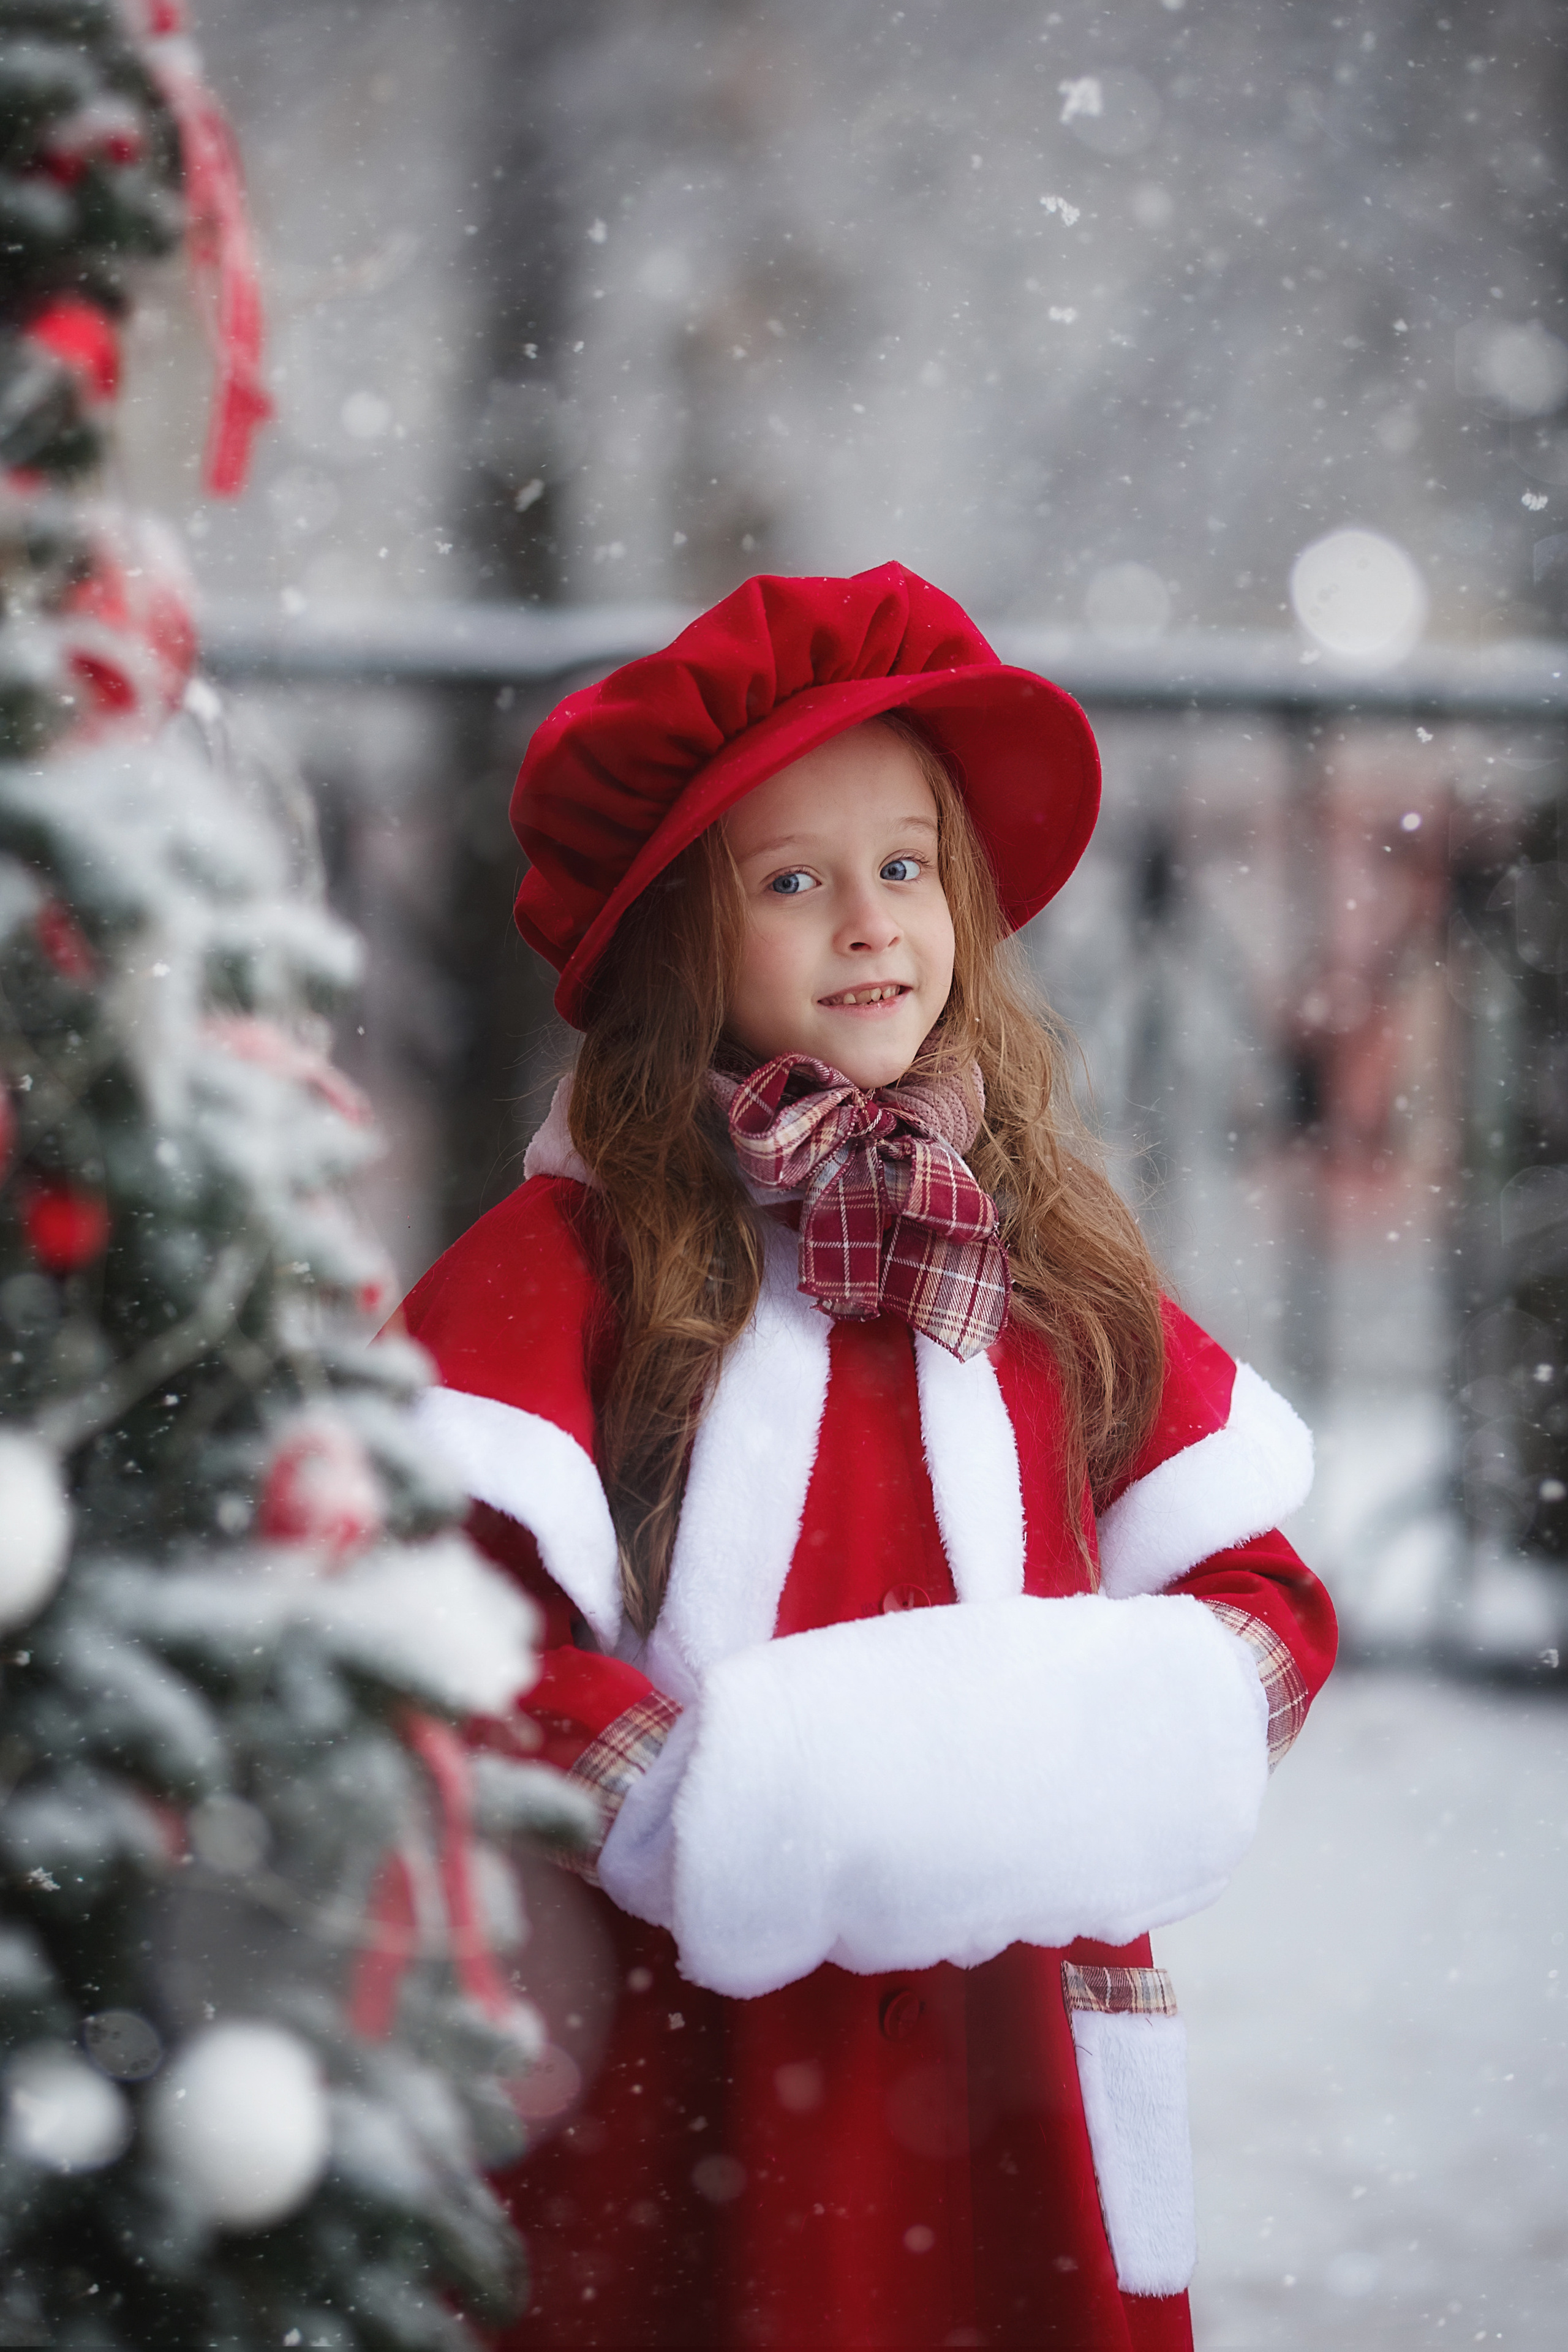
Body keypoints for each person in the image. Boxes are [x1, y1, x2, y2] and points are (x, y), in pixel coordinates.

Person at [400, 562, 1337, 2351]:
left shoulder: (1055, 1259)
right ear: (683, 932)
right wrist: (696, 1815)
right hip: (699, 2044)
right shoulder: (575, 1266)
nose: (868, 923)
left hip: (1018, 2047)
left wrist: (1143, 1736)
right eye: (793, 880)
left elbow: (1267, 1591)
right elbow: (457, 1626)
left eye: (904, 865)